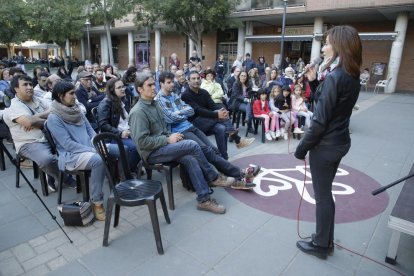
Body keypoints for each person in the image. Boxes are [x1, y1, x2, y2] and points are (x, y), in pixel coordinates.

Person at [294, 25, 362, 260]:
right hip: (340, 141)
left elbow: (320, 121)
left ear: (339, 46)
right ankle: (326, 239)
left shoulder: (335, 77)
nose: (323, 46)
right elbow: (330, 107)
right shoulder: (351, 75)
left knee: (322, 196)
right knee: (326, 193)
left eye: (326, 42)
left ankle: (322, 245)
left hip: (325, 146)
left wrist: (301, 148)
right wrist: (314, 84)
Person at [129, 72, 236, 214]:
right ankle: (213, 177)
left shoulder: (154, 104)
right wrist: (167, 139)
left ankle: (204, 200)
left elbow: (168, 125)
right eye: (149, 85)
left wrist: (170, 136)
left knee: (191, 158)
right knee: (192, 144)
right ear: (139, 89)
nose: (153, 87)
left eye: (153, 84)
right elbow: (142, 142)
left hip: (165, 145)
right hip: (152, 153)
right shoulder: (138, 112)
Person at [156, 71, 258, 189]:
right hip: (181, 131)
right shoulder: (160, 99)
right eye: (168, 82)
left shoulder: (174, 95)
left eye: (172, 82)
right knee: (208, 149)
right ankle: (240, 173)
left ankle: (235, 179)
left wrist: (179, 113)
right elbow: (171, 118)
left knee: (215, 148)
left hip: (189, 125)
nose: (172, 84)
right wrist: (182, 112)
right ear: (161, 84)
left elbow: (190, 110)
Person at [47, 81, 119, 221]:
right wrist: (95, 150)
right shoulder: (54, 118)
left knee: (120, 149)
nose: (75, 96)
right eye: (71, 93)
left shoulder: (76, 110)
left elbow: (90, 130)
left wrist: (98, 145)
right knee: (99, 161)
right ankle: (97, 202)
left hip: (90, 148)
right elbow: (68, 145)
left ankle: (120, 186)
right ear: (61, 96)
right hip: (71, 156)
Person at [3, 75, 75, 192]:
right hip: (30, 143)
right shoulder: (14, 105)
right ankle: (64, 178)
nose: (30, 87)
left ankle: (50, 173)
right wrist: (48, 118)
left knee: (75, 143)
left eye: (30, 84)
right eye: (25, 85)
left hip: (50, 136)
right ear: (16, 89)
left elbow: (58, 110)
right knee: (46, 159)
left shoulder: (38, 100)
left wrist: (36, 118)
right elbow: (29, 122)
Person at [181, 71, 254, 160]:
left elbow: (212, 105)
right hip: (195, 123)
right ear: (188, 81)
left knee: (221, 128)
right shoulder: (185, 95)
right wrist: (217, 114)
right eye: (193, 78)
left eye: (198, 78)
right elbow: (197, 111)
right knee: (222, 117)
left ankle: (224, 158)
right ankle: (236, 138)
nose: (196, 80)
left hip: (208, 120)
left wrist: (221, 111)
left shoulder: (204, 92)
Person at [97, 78, 140, 175]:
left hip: (127, 132)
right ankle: (127, 172)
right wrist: (120, 133)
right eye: (119, 87)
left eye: (123, 86)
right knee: (135, 147)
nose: (123, 89)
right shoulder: (105, 103)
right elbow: (103, 125)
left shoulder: (122, 100)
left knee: (143, 141)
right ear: (112, 91)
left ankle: (132, 167)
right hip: (112, 137)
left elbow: (127, 120)